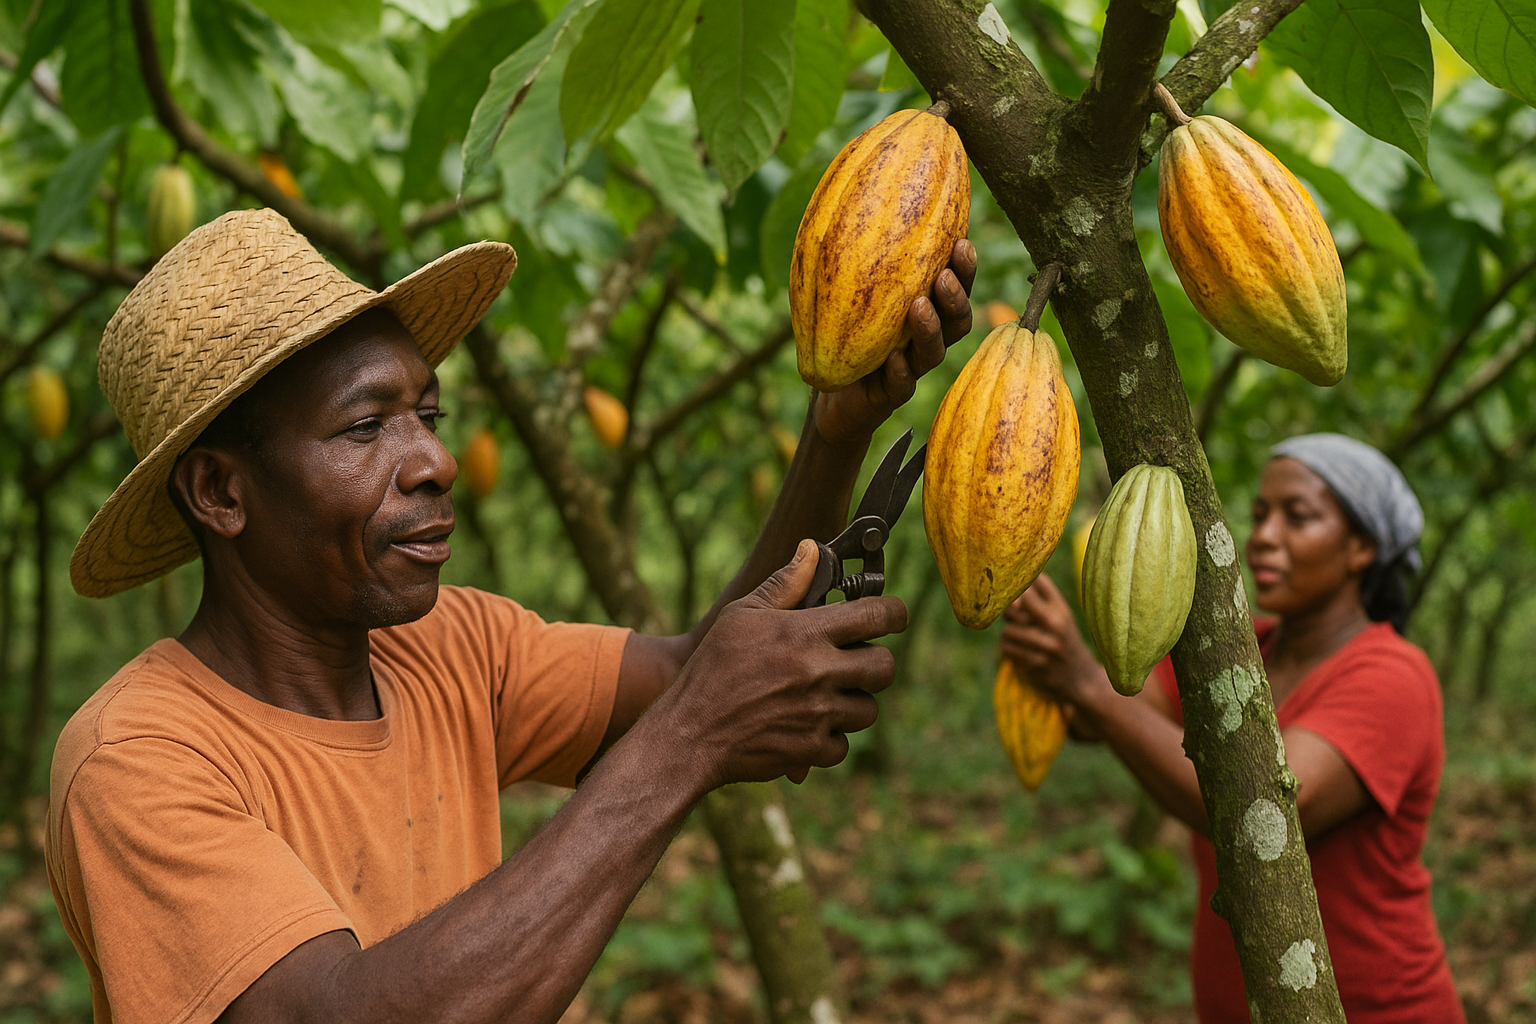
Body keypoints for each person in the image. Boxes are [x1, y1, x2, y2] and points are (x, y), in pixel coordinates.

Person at [45, 208, 977, 1024]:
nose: (435, 463)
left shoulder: (449, 647)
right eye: (367, 427)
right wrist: (691, 739)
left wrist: (834, 429)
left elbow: (697, 671)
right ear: (220, 490)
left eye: (429, 413)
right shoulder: (138, 758)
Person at [1000, 434, 1463, 1023]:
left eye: (1298, 517)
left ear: (1362, 548)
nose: (1264, 535)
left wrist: (1083, 680)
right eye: (1262, 513)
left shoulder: (1393, 675)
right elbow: (1117, 711)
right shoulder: (1242, 654)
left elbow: (1264, 814)